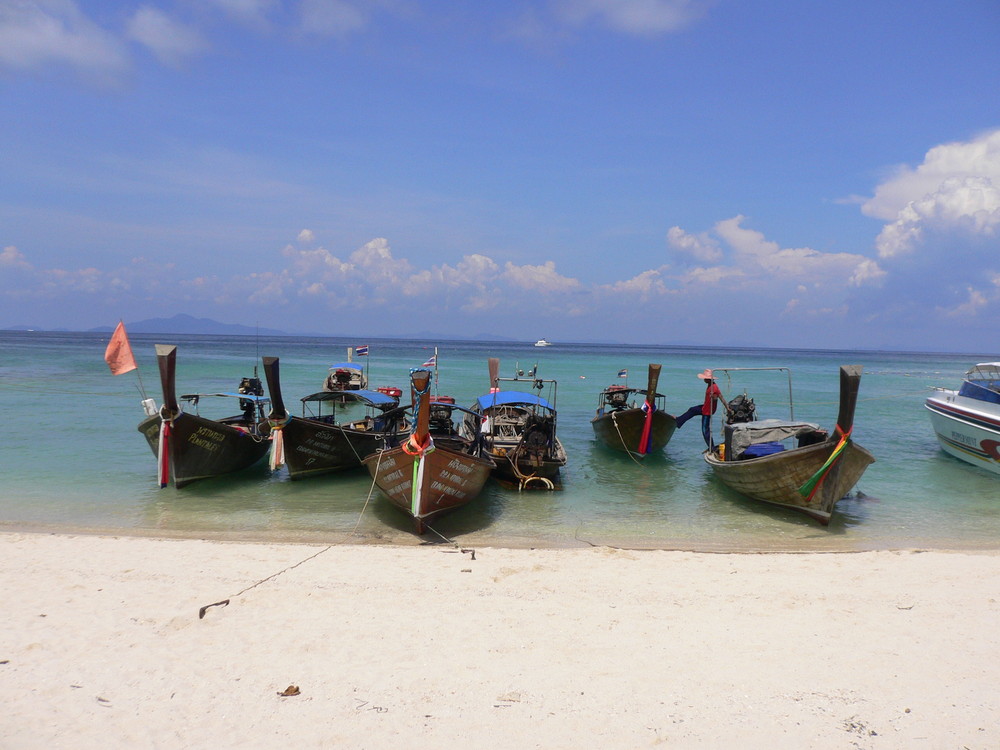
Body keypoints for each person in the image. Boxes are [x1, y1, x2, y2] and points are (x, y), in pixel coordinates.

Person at [675, 369, 729, 448]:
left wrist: (713, 397)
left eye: (705, 378)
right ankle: (679, 421)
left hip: (707, 411)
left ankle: (711, 447)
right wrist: (727, 408)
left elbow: (717, 398)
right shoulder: (712, 385)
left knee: (705, 430)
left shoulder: (714, 387)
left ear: (708, 379)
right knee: (692, 410)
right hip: (705, 407)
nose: (704, 379)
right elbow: (722, 397)